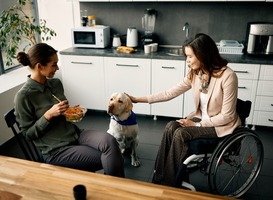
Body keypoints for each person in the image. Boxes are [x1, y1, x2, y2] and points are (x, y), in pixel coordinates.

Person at [127, 33, 241, 186]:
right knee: (170, 126)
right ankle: (159, 177)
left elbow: (227, 116)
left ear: (203, 55)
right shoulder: (197, 73)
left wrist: (196, 125)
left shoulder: (228, 76)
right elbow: (169, 93)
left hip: (220, 126)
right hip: (202, 120)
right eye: (186, 56)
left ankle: (169, 183)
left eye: (190, 56)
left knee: (181, 133)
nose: (187, 61)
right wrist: (138, 99)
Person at [14, 43, 124, 178]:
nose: (57, 68)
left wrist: (71, 111)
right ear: (39, 66)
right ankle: (115, 192)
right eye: (54, 65)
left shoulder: (55, 84)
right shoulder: (23, 96)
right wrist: (48, 115)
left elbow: (63, 114)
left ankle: (110, 190)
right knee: (110, 156)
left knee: (110, 141)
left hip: (75, 135)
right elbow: (28, 135)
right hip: (56, 150)